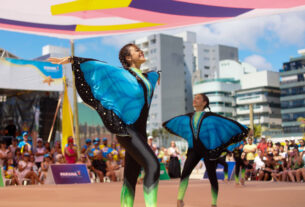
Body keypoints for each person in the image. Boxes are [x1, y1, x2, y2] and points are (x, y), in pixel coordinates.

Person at [48, 43, 160, 207]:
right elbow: (100, 67)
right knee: (153, 165)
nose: (141, 51)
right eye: (137, 50)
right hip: (126, 130)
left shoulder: (146, 77)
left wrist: (157, 75)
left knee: (130, 176)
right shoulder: (121, 75)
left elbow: (153, 75)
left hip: (140, 133)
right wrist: (74, 60)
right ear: (128, 58)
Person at [163, 93, 248, 207]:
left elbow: (225, 123)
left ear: (204, 103)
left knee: (212, 176)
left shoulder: (211, 117)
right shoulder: (189, 116)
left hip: (208, 150)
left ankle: (214, 203)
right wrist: (168, 123)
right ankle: (180, 199)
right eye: (194, 98)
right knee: (185, 173)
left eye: (198, 98)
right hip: (193, 149)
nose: (194, 100)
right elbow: (180, 123)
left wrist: (244, 129)